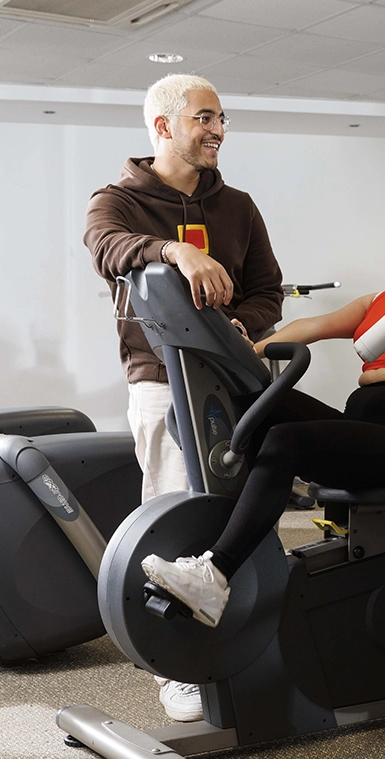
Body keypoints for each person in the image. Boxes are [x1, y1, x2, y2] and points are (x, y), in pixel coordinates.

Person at [140, 186, 385, 631]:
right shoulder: (378, 301)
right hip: (367, 424)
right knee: (255, 406)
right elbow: (310, 328)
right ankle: (225, 541)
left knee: (287, 438)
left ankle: (216, 574)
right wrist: (251, 349)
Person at [84, 73, 284, 722]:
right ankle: (171, 663)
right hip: (160, 380)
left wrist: (242, 326)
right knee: (172, 519)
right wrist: (173, 251)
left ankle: (243, 637)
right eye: (204, 118)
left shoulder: (240, 206)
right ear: (164, 126)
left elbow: (267, 293)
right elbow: (107, 248)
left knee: (242, 516)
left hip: (233, 381)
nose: (218, 129)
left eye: (222, 118)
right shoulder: (116, 201)